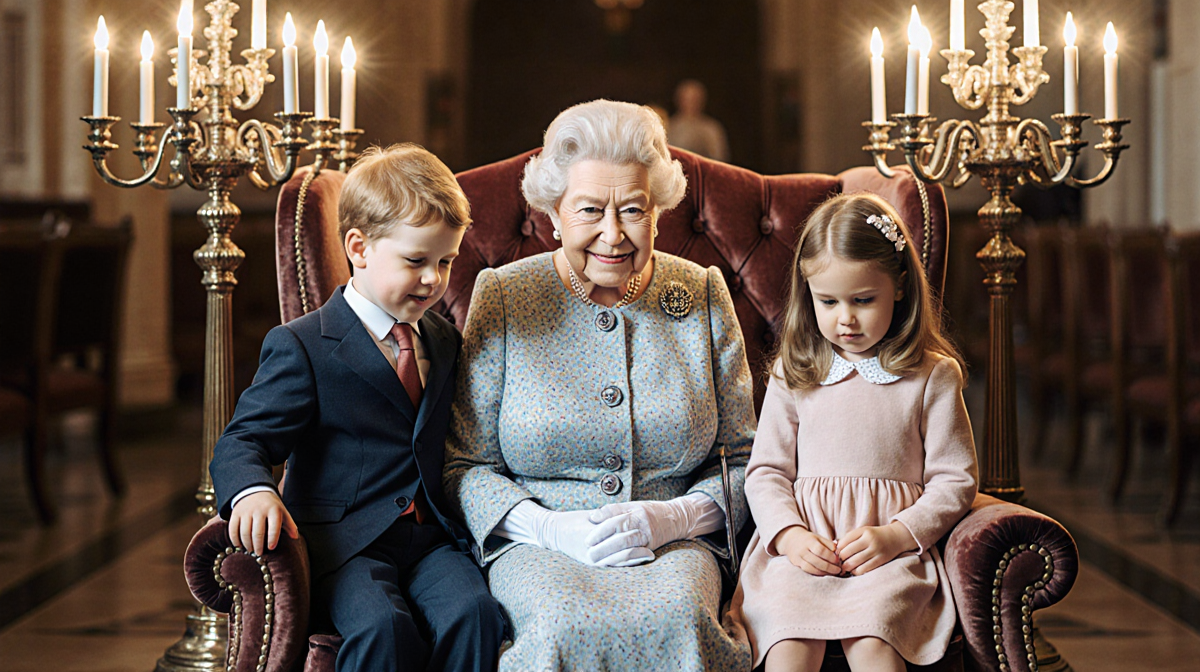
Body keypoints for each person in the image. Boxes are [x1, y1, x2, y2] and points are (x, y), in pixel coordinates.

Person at [444, 99, 754, 670]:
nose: (613, 234)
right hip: (539, 543)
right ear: (554, 214)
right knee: (562, 624)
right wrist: (545, 526)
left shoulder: (703, 293)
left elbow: (744, 456)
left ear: (658, 213)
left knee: (680, 618)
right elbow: (465, 464)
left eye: (633, 209)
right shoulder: (506, 297)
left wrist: (677, 518)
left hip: (674, 544)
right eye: (590, 210)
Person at [209, 144, 505, 672]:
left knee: (476, 612)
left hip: (430, 538)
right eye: (416, 261)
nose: (434, 279)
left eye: (446, 261)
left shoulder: (444, 340)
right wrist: (252, 491)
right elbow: (243, 440)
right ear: (359, 247)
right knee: (381, 627)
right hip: (345, 545)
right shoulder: (303, 344)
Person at [728, 193, 978, 671]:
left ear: (900, 287)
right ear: (809, 295)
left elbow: (956, 480)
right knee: (788, 650)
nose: (845, 318)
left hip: (885, 559)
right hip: (805, 553)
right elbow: (765, 473)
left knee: (876, 646)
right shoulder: (795, 372)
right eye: (828, 301)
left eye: (863, 300)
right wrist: (788, 536)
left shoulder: (932, 376)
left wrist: (898, 536)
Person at [668, 79, 730, 162]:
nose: (690, 103)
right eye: (686, 99)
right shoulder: (668, 127)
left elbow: (719, 160)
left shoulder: (711, 129)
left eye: (694, 99)